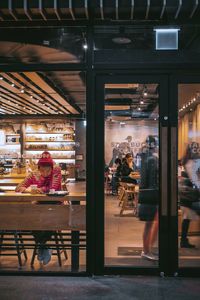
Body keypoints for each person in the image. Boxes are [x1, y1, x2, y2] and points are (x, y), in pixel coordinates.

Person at [15, 151, 62, 265]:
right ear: (38, 168)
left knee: (48, 220)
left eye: (48, 170)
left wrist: (39, 190)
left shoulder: (56, 171)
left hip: (55, 206)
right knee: (33, 219)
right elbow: (18, 187)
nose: (45, 173)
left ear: (52, 167)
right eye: (42, 170)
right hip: (39, 206)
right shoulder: (34, 174)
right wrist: (29, 190)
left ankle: (42, 246)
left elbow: (53, 188)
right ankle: (44, 246)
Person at [138, 135, 159, 261]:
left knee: (150, 223)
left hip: (147, 193)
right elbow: (152, 178)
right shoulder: (151, 159)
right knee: (150, 223)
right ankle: (147, 250)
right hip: (151, 194)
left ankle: (148, 249)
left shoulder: (144, 157)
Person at [178, 150, 200, 248]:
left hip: (186, 197)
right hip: (189, 198)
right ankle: (183, 240)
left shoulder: (186, 163)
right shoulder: (191, 165)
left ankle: (183, 240)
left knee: (186, 218)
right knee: (186, 218)